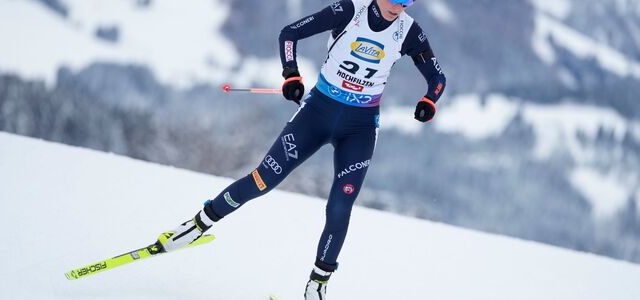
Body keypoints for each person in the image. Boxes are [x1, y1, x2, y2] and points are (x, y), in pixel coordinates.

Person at [156, 0, 446, 298]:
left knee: (340, 206)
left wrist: (429, 101)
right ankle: (198, 224)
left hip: (359, 129)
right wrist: (291, 74)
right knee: (263, 180)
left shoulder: (409, 31)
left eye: (407, 1)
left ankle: (317, 285)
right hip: (317, 115)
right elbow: (289, 33)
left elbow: (437, 78)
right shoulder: (349, 10)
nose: (399, 7)